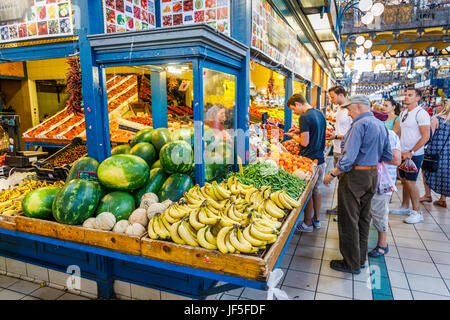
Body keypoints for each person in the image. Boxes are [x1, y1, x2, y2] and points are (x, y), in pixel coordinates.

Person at [323, 95, 392, 274]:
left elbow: (348, 158)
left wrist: (332, 174)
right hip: (372, 175)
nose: (348, 113)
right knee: (363, 218)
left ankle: (350, 263)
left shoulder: (359, 125)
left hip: (355, 176)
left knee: (348, 219)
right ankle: (360, 259)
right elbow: (387, 155)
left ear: (360, 107)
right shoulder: (380, 125)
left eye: (350, 109)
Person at [285, 94, 326, 232]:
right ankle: (317, 220)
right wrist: (300, 130)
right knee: (317, 190)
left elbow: (304, 142)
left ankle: (307, 223)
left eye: (293, 109)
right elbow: (316, 131)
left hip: (308, 160)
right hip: (319, 159)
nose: (294, 112)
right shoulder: (319, 113)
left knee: (307, 193)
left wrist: (293, 136)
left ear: (297, 104)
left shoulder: (304, 117)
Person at [390, 88, 431, 224]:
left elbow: (426, 136)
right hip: (403, 153)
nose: (406, 97)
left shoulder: (421, 113)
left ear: (418, 98)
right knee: (404, 180)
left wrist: (411, 152)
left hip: (414, 154)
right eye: (406, 95)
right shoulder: (404, 113)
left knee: (411, 181)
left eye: (410, 95)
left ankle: (417, 212)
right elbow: (401, 132)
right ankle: (405, 207)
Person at [368, 111, 402, 257]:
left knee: (379, 213)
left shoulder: (390, 135)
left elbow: (396, 160)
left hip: (382, 182)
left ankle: (383, 244)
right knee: (370, 210)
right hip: (369, 179)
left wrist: (373, 155)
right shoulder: (371, 134)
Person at [326, 86, 352, 215]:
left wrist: (336, 136)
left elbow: (353, 134)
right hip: (337, 149)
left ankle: (344, 211)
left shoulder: (350, 110)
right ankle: (341, 207)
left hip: (344, 150)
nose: (331, 100)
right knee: (340, 182)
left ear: (341, 95)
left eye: (332, 97)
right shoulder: (339, 109)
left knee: (346, 182)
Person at [420, 100, 450, 208]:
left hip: (434, 150)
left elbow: (429, 135)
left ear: (445, 107)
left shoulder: (435, 118)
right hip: (447, 152)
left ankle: (427, 195)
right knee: (444, 174)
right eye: (437, 105)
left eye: (440, 105)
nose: (437, 107)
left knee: (426, 170)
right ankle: (442, 199)